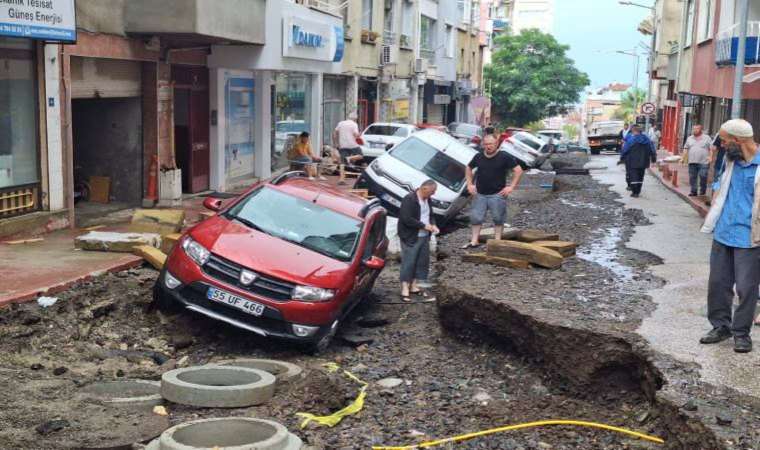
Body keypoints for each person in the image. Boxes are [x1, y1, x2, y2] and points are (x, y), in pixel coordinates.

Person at [699, 119, 760, 353]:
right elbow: (719, 182)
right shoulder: (729, 160)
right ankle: (720, 326)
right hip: (723, 232)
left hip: (749, 237)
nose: (721, 144)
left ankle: (741, 333)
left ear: (738, 140)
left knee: (747, 288)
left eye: (724, 140)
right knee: (718, 284)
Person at [463, 134, 524, 248]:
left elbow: (518, 170)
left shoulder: (505, 156)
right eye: (486, 144)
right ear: (483, 145)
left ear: (496, 144)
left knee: (498, 218)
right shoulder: (478, 156)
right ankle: (474, 240)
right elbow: (468, 168)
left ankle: (497, 241)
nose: (488, 146)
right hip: (480, 193)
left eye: (491, 144)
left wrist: (511, 187)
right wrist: (470, 184)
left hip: (497, 194)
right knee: (476, 218)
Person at [398, 179, 440, 302]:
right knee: (409, 261)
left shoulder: (428, 200)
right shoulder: (409, 199)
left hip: (424, 236)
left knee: (422, 262)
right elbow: (406, 218)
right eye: (432, 191)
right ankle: (404, 287)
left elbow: (431, 215)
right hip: (411, 235)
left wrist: (433, 224)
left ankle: (415, 285)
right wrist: (424, 225)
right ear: (424, 188)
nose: (433, 194)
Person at [619, 125, 656, 198]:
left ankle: (635, 192)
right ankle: (638, 191)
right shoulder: (647, 139)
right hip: (644, 161)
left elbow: (625, 149)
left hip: (632, 161)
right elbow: (652, 149)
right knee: (640, 176)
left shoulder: (631, 140)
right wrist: (653, 158)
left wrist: (622, 157)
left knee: (633, 176)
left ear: (634, 131)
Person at [683, 124, 712, 197]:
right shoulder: (689, 138)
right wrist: (683, 158)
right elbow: (686, 148)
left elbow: (711, 148)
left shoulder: (707, 138)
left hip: (704, 161)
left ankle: (702, 190)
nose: (695, 130)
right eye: (694, 129)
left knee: (703, 175)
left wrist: (710, 157)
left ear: (701, 130)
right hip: (692, 161)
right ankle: (693, 191)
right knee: (692, 177)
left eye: (697, 129)